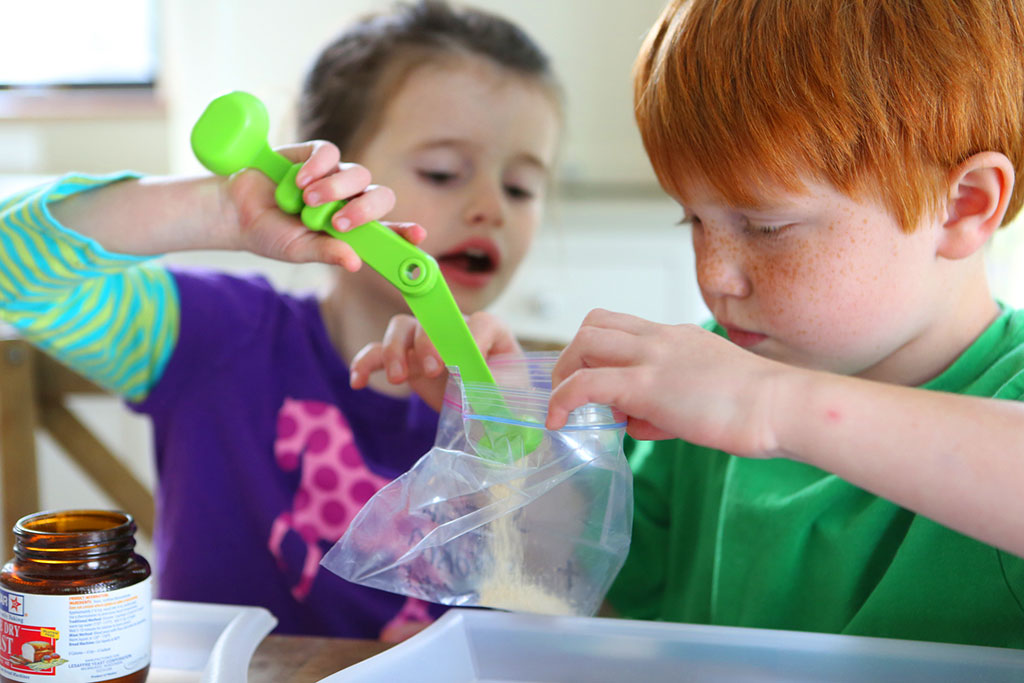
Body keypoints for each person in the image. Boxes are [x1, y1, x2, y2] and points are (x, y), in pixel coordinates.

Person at [0, 0, 561, 640]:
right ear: (328, 177)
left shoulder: (523, 404)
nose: (491, 207)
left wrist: (515, 452)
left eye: (520, 187)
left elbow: (569, 608)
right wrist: (218, 211)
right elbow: (9, 268)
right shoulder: (215, 336)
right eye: (442, 171)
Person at [535, 0, 1024, 648]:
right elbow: (600, 586)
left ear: (961, 206)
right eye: (695, 221)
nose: (714, 276)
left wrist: (771, 404)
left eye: (766, 227)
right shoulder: (705, 386)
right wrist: (502, 414)